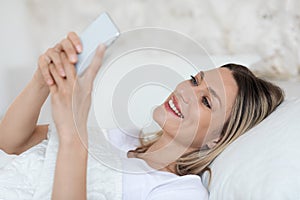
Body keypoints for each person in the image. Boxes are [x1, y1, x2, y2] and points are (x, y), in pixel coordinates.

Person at [0, 32, 284, 200]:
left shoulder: (179, 193)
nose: (187, 91)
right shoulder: (124, 137)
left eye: (207, 101)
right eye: (194, 80)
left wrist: (73, 132)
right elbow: (13, 142)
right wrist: (42, 79)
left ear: (218, 139)